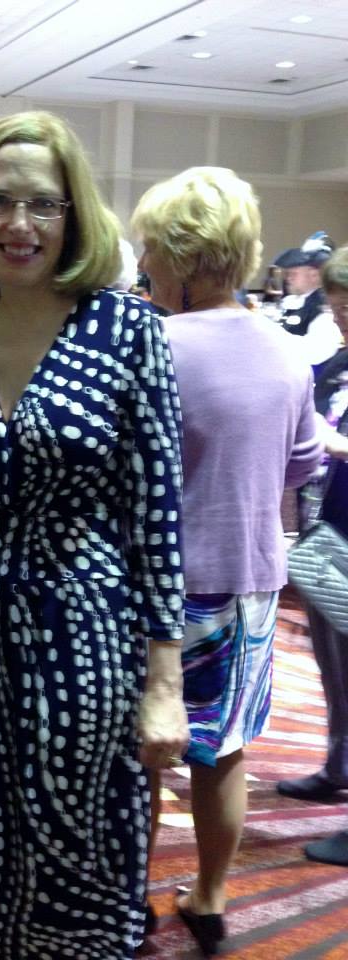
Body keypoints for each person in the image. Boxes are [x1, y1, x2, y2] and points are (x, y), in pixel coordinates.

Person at [0, 110, 187, 960]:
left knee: (85, 851)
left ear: (73, 214)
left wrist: (164, 684)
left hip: (84, 648)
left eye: (43, 204)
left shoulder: (127, 328)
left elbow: (158, 513)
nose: (20, 224)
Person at [131, 166, 324, 955]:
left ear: (181, 255)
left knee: (141, 757)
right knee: (225, 751)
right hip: (251, 581)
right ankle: (209, 898)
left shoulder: (150, 346)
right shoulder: (287, 352)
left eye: (150, 247)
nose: (143, 262)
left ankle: (129, 897)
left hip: (159, 592)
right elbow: (301, 466)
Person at [278, 246, 348, 830]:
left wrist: (330, 442)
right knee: (332, 661)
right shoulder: (339, 362)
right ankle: (338, 764)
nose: (342, 319)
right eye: (337, 307)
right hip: (331, 531)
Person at [275, 232, 342, 372]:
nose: (288, 278)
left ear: (314, 275)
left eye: (294, 273)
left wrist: (270, 339)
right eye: (288, 273)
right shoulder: (293, 301)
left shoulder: (324, 309)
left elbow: (316, 352)